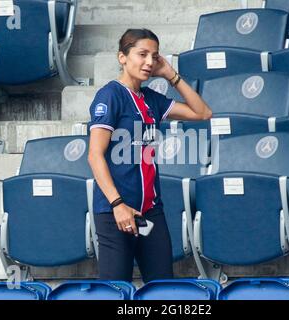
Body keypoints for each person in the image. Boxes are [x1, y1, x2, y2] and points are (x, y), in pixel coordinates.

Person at [88, 28, 212, 283]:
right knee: (116, 292)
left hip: (149, 214)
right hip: (116, 214)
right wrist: (117, 205)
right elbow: (94, 156)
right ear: (122, 57)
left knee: (161, 288)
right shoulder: (110, 95)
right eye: (141, 54)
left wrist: (170, 75)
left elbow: (202, 113)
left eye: (154, 56)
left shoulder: (151, 99)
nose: (148, 62)